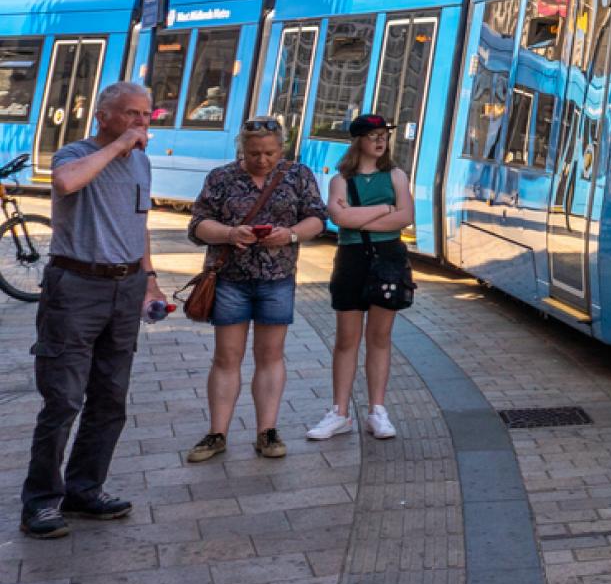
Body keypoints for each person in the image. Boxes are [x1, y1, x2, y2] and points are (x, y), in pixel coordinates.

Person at [20, 83, 166, 540]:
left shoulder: (142, 162)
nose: (141, 123)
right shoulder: (74, 153)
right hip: (75, 287)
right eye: (130, 114)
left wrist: (150, 280)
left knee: (110, 397)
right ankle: (41, 502)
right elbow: (65, 183)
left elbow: (138, 224)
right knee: (63, 399)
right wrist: (119, 145)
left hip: (126, 288)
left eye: (146, 115)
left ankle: (85, 488)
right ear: (103, 116)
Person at [184, 118, 326, 464]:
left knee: (270, 355)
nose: (262, 160)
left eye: (270, 153)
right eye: (253, 154)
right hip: (230, 278)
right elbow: (198, 224)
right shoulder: (221, 177)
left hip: (277, 278)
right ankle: (217, 433)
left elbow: (317, 218)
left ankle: (267, 431)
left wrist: (290, 234)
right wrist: (230, 234)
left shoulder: (298, 175)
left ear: (282, 149)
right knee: (226, 357)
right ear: (241, 150)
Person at [309, 115, 415, 442]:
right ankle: (340, 412)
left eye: (383, 135)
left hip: (389, 259)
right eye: (373, 136)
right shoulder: (341, 180)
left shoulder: (396, 175)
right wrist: (385, 209)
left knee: (379, 338)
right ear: (359, 142)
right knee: (346, 339)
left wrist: (359, 219)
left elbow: (406, 218)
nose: (380, 141)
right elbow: (338, 218)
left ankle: (377, 411)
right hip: (351, 260)